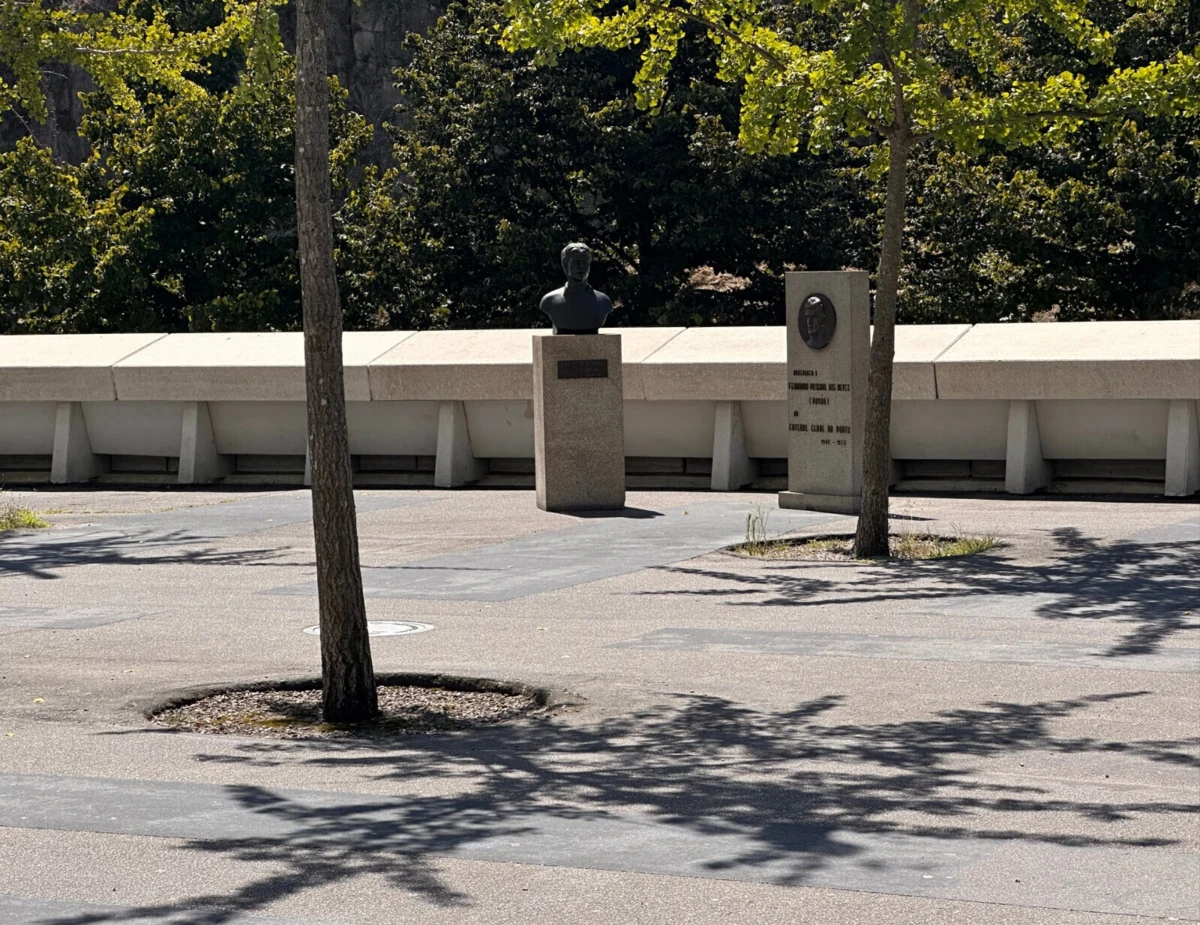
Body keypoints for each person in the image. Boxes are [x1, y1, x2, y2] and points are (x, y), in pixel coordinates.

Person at [540, 243, 613, 334]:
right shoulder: (549, 300)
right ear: (566, 266)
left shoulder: (604, 301)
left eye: (584, 262)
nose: (581, 266)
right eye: (576, 262)